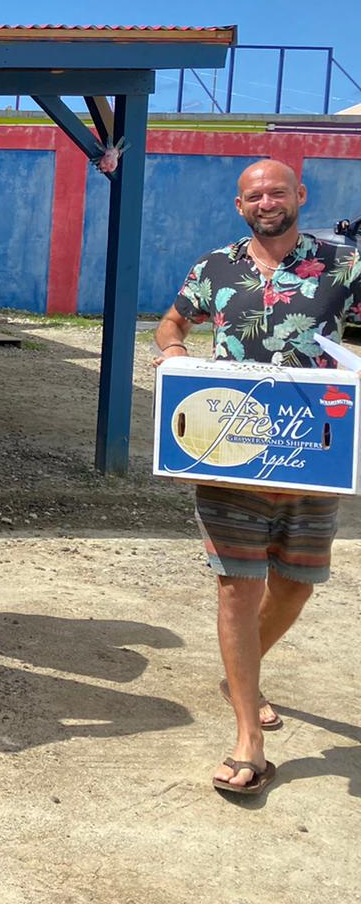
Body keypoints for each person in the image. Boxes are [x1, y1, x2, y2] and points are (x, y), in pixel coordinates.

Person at [154, 158, 361, 797]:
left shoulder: (343, 265)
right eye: (253, 194)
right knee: (237, 587)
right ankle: (249, 736)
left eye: (277, 191)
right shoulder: (214, 268)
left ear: (299, 195)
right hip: (229, 449)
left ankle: (241, 671)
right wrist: (173, 352)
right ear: (239, 205)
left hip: (313, 451)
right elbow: (173, 321)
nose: (265, 201)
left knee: (296, 583)